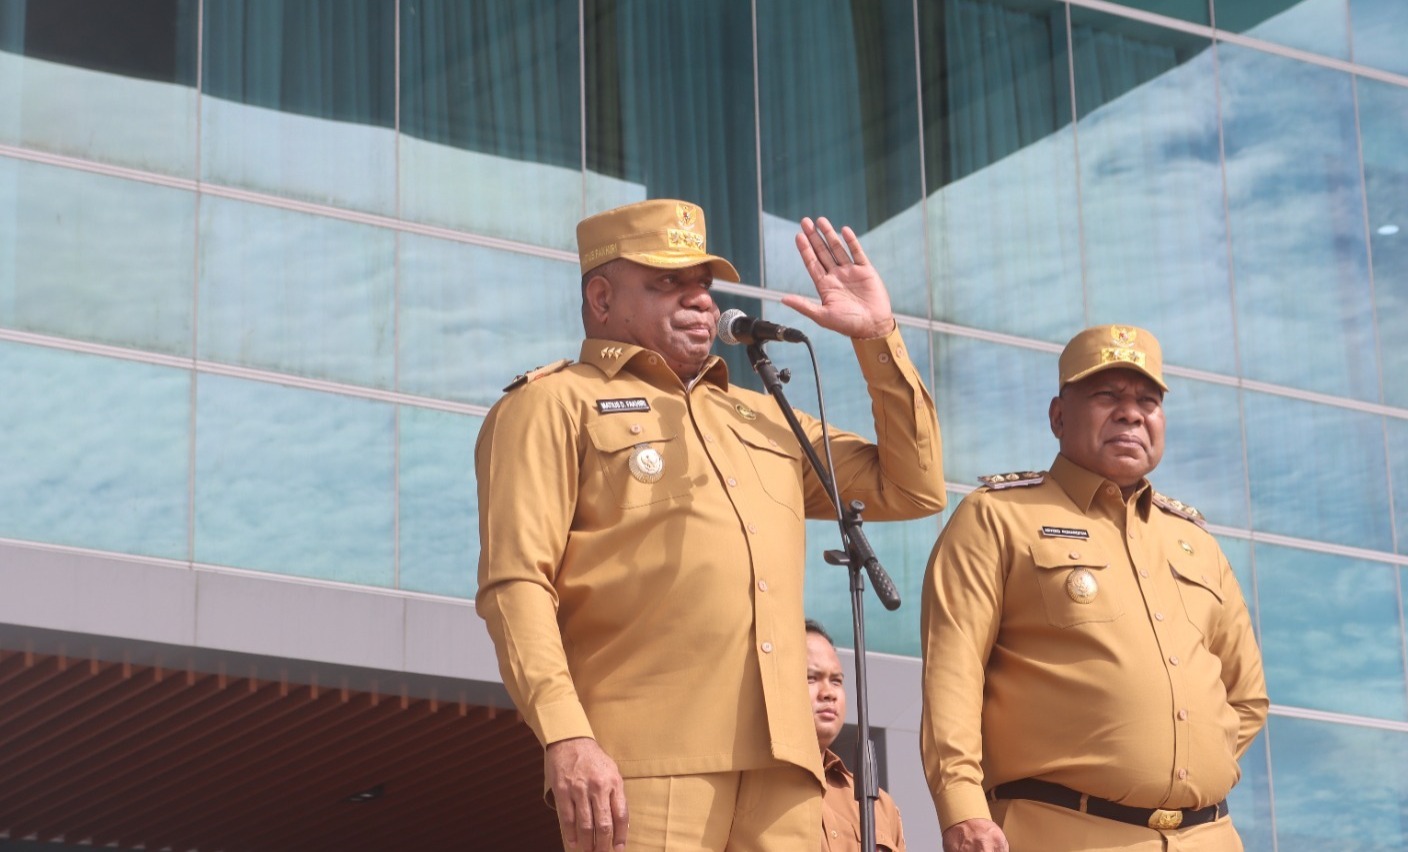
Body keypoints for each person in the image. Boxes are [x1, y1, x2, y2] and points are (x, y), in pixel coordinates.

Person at [475, 198, 945, 852]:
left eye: (703, 283)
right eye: (667, 282)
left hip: (783, 768)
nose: (698, 300)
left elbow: (912, 485)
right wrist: (567, 735)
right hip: (646, 758)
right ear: (603, 298)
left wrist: (876, 337)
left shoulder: (762, 416)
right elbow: (517, 586)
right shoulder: (554, 404)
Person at [919, 324, 1268, 852]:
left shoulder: (1196, 541)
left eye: (1148, 400)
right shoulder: (998, 517)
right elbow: (953, 675)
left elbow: (1246, 697)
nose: (1131, 412)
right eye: (1108, 395)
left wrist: (1175, 764)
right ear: (1059, 416)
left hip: (1209, 837)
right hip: (1059, 831)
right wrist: (961, 806)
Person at [806, 619, 906, 852]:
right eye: (811, 677)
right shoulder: (752, 790)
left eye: (836, 681)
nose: (829, 693)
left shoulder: (880, 805)